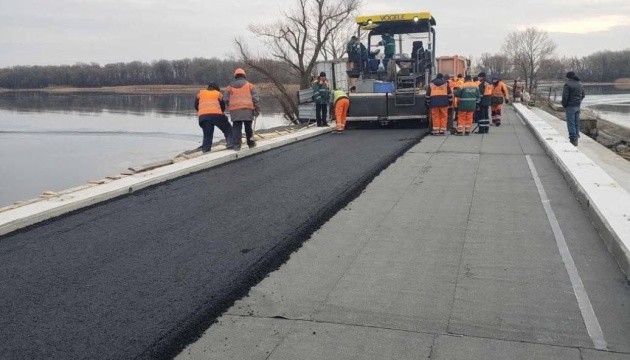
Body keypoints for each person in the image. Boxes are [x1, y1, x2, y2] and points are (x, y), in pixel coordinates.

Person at [225, 68, 260, 151]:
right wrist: (257, 109)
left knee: (236, 127)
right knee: (248, 127)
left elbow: (225, 99)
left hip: (235, 111)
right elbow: (255, 99)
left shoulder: (229, 87)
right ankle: (251, 144)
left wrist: (231, 106)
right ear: (244, 75)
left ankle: (237, 145)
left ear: (235, 76)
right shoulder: (250, 85)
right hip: (248, 110)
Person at [194, 82, 233, 153]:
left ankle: (206, 150)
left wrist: (203, 112)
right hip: (217, 115)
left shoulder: (200, 93)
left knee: (207, 135)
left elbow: (196, 106)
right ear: (217, 89)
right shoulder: (218, 94)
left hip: (203, 116)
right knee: (227, 129)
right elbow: (222, 107)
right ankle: (230, 143)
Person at [562, 71, 586, 146]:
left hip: (570, 106)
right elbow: (583, 95)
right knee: (576, 123)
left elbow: (565, 97)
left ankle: (573, 140)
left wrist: (564, 105)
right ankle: (576, 137)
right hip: (577, 106)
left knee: (571, 123)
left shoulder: (567, 84)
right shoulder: (580, 83)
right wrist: (579, 101)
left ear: (568, 77)